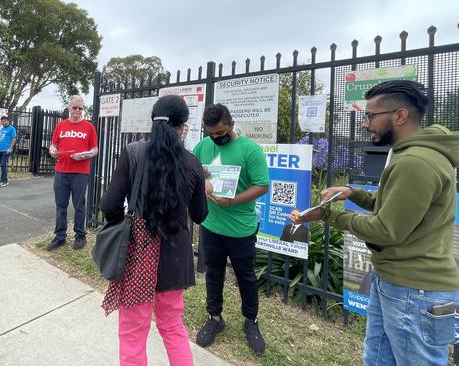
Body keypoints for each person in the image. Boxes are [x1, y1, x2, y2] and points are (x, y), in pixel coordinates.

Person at [290, 80, 459, 365]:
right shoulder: (415, 154)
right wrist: (352, 192)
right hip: (397, 282)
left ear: (400, 115)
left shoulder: (415, 162)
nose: (366, 125)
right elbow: (398, 204)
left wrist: (329, 215)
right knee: (378, 359)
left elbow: (385, 230)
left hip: (413, 290)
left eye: (370, 116)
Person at [100, 95, 208, 365]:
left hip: (137, 257)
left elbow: (109, 203)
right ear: (183, 126)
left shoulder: (133, 153)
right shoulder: (193, 163)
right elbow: (200, 215)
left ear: (153, 122)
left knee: (133, 333)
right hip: (174, 259)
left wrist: (124, 225)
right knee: (172, 327)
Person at [192, 103, 269, 354]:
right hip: (211, 224)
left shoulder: (250, 150)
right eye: (211, 133)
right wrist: (202, 180)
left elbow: (262, 186)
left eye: (220, 132)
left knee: (245, 276)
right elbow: (195, 172)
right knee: (213, 273)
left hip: (241, 228)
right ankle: (215, 318)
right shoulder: (203, 146)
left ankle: (251, 321)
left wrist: (232, 201)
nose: (216, 138)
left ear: (231, 125)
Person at [47, 96, 98, 251]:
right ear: (69, 108)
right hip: (61, 171)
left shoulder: (89, 127)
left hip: (80, 172)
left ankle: (80, 235)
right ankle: (60, 236)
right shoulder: (61, 126)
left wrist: (85, 155)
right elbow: (53, 145)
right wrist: (52, 151)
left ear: (83, 109)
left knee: (79, 205)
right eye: (74, 107)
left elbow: (95, 149)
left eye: (80, 108)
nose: (77, 111)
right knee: (60, 205)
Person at [0, 116, 17, 187]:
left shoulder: (11, 128)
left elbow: (14, 139)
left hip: (6, 150)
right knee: (2, 165)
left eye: (5, 121)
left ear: (8, 121)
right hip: (1, 149)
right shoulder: (2, 129)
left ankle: (4, 181)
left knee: (3, 164)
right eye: (2, 121)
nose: (4, 122)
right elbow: (1, 138)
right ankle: (3, 179)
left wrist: (10, 148)